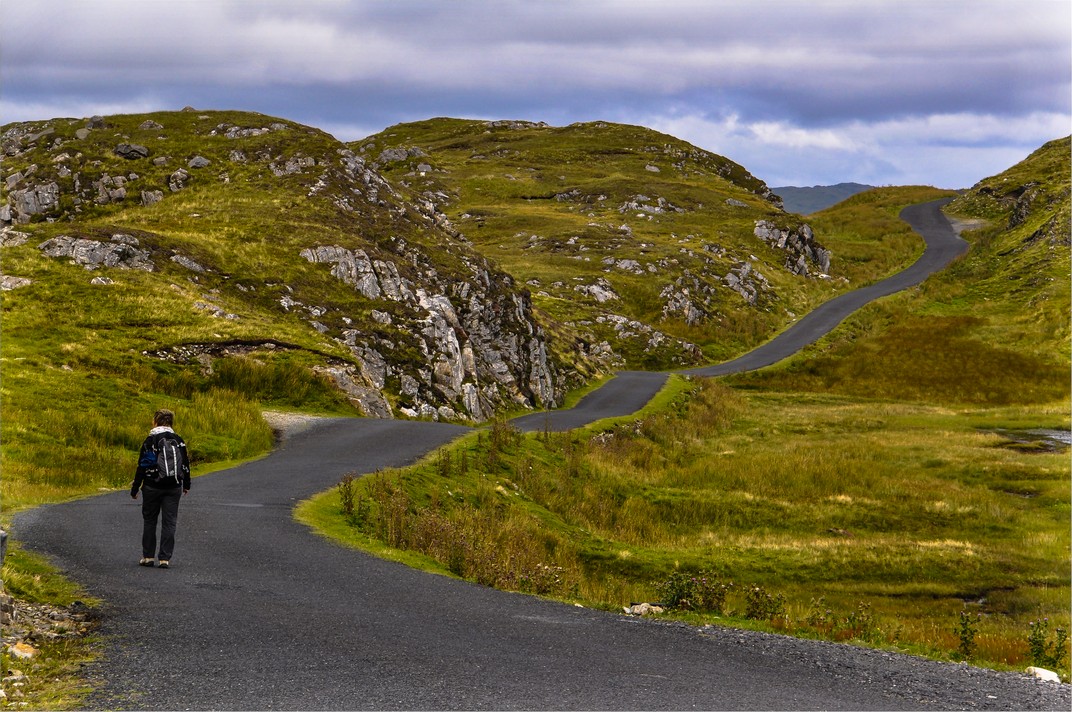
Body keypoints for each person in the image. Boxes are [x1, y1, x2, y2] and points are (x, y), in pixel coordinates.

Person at [130, 408, 191, 568]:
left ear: (155, 421)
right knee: (169, 522)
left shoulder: (150, 440)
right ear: (171, 422)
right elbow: (185, 463)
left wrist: (135, 487)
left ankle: (148, 557)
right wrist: (186, 484)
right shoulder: (178, 440)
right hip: (174, 486)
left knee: (150, 520)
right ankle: (164, 559)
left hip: (152, 486)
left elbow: (142, 465)